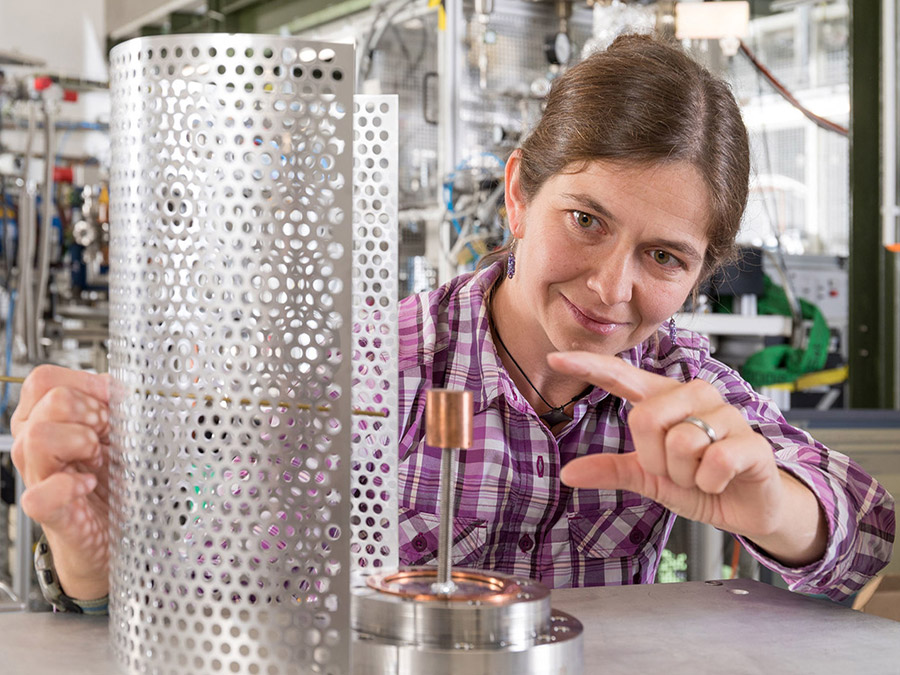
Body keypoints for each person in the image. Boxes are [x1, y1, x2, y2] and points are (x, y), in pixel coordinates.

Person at [10, 35, 894, 613]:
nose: (611, 287)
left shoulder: (680, 383)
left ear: (702, 271)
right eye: (585, 220)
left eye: (664, 257)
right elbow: (217, 586)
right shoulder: (366, 373)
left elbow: (874, 539)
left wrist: (775, 506)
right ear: (517, 194)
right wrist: (93, 567)